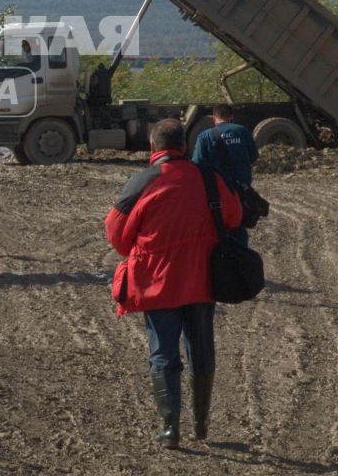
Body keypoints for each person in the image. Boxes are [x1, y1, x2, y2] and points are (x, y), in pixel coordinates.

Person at [107, 117, 243, 449]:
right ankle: (200, 425)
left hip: (157, 285)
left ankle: (170, 429)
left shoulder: (141, 182)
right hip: (201, 281)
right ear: (184, 146)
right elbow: (234, 216)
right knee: (201, 348)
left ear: (153, 147)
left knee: (163, 354)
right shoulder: (210, 179)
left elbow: (117, 236)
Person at [191, 105, 256, 246]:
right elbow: (253, 156)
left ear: (214, 118)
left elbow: (197, 164)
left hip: (216, 192)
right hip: (241, 189)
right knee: (238, 226)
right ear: (231, 117)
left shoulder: (205, 136)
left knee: (217, 226)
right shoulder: (242, 131)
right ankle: (240, 258)